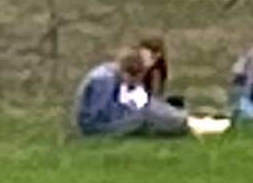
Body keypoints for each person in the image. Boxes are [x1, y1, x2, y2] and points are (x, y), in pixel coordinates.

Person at [72, 49, 228, 138]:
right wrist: (130, 114)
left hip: (105, 123)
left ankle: (190, 121)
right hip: (96, 129)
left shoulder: (112, 74)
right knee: (145, 116)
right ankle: (192, 125)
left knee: (151, 107)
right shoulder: (103, 80)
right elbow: (99, 114)